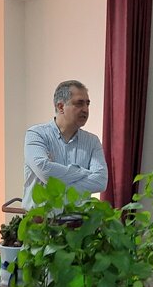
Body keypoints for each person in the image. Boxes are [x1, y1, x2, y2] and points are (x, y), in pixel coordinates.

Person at [22, 80, 108, 210]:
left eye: (87, 104)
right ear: (61, 107)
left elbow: (100, 181)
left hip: (78, 221)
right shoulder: (36, 134)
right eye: (79, 103)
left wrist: (58, 185)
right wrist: (83, 172)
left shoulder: (92, 141)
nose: (85, 109)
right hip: (40, 221)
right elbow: (45, 170)